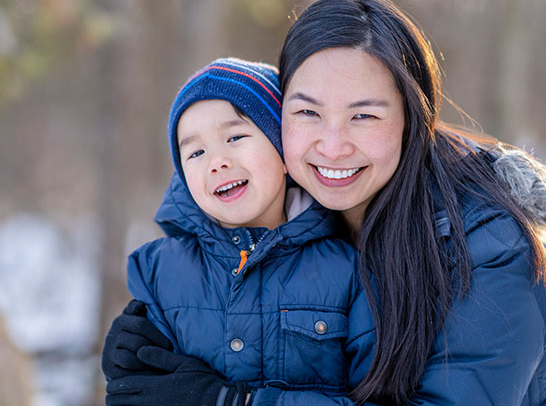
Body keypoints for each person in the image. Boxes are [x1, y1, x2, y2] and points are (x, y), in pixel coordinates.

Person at [102, 0, 546, 405]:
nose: (332, 146)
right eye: (308, 111)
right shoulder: (292, 222)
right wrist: (158, 331)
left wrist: (230, 401)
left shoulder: (489, 246)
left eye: (364, 117)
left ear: (413, 118)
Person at [101, 57, 375, 406]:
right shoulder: (159, 271)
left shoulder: (348, 270)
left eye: (235, 137)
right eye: (196, 152)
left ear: (283, 149)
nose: (217, 161)